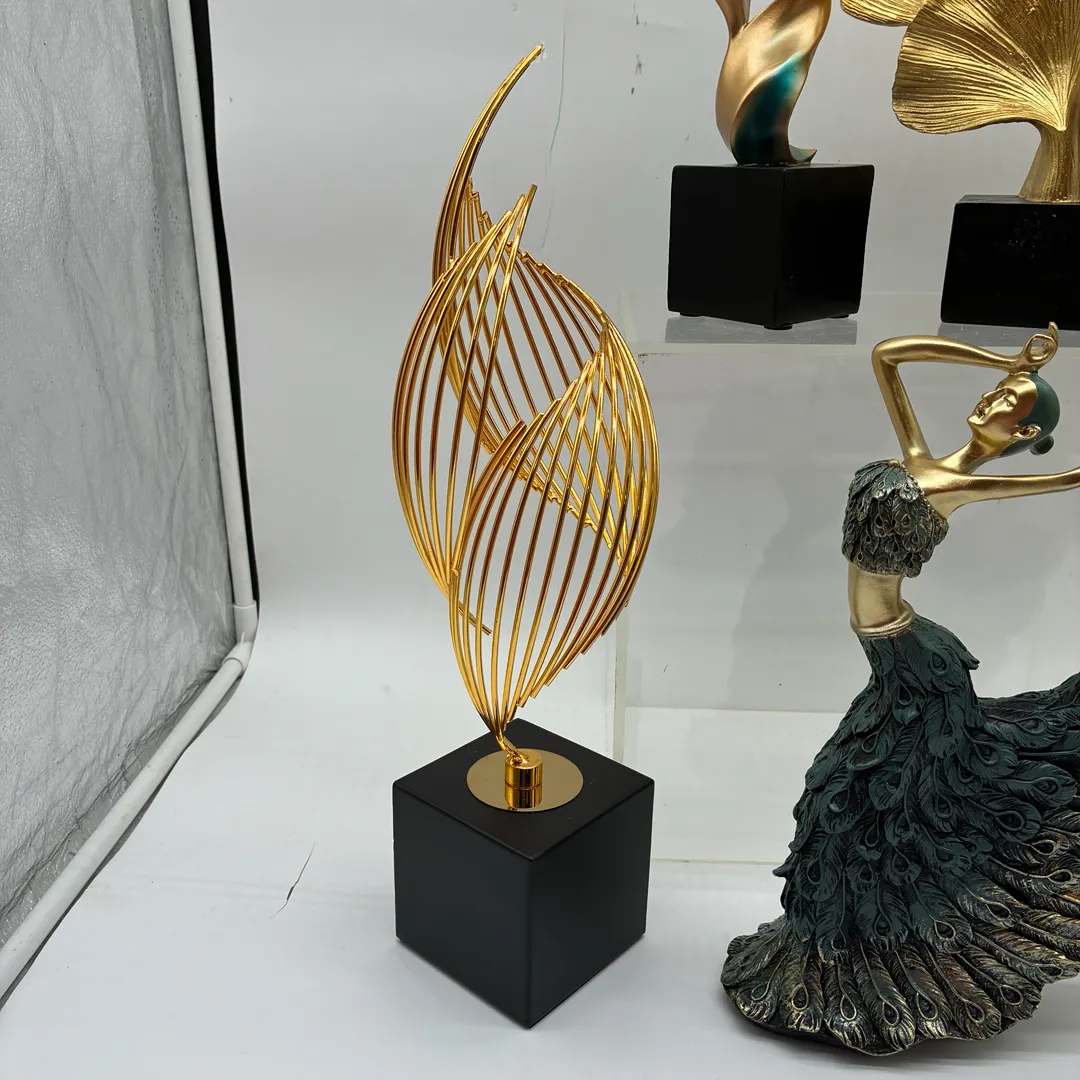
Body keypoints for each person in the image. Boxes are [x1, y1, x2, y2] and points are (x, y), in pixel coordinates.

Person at [722, 326, 1080, 1055]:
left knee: (869, 789)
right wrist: (1007, 359)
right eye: (996, 392)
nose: (990, 401)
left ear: (1023, 434)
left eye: (1009, 405)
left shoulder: (968, 483)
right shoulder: (921, 456)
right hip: (897, 647)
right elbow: (888, 355)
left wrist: (1024, 377)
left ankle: (888, 953)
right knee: (852, 784)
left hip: (910, 654)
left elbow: (1071, 478)